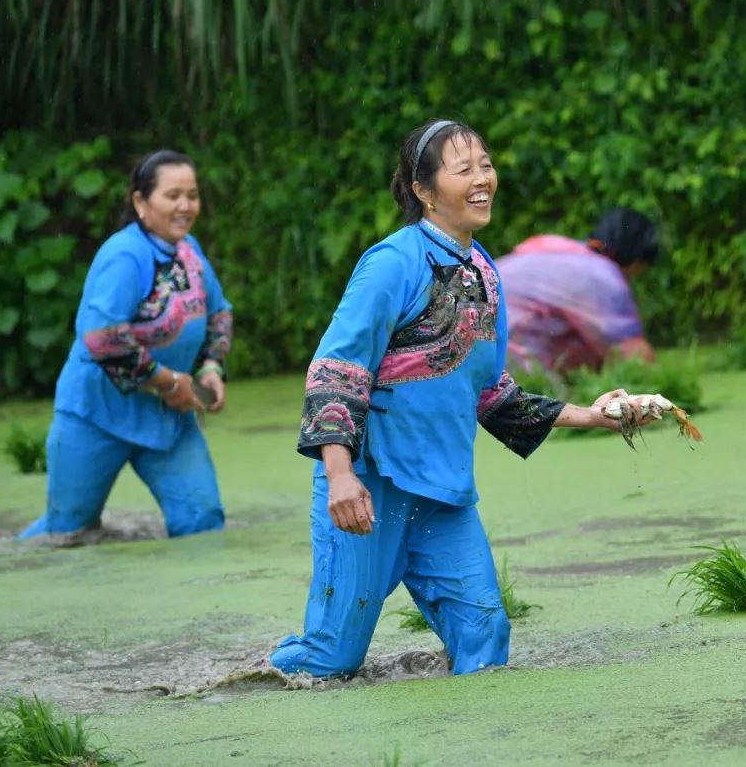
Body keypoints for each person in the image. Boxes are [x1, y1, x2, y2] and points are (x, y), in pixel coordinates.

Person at [269, 120, 656, 679]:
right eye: (464, 170)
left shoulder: (485, 273)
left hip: (442, 497)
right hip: (370, 488)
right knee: (330, 662)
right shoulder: (391, 264)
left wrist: (593, 416)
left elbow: (490, 391)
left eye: (486, 165)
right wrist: (339, 475)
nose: (483, 180)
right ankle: (257, 676)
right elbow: (338, 368)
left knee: (486, 636)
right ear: (424, 190)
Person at [19, 150, 232, 540]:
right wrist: (169, 382)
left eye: (193, 194)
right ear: (140, 201)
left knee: (203, 522)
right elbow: (104, 340)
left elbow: (219, 314)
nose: (185, 206)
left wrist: (211, 368)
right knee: (66, 534)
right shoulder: (124, 256)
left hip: (168, 421)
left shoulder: (190, 252)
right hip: (96, 414)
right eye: (173, 195)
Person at [495, 208, 659, 374]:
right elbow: (634, 355)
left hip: (474, 339)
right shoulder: (602, 275)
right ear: (636, 261)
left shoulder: (561, 250)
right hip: (507, 359)